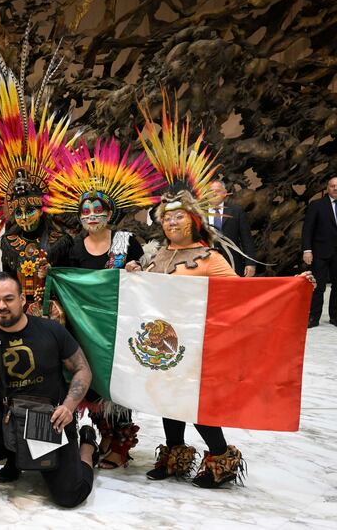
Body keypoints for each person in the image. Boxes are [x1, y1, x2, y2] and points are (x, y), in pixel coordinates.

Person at [132, 94, 316, 488]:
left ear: (193, 219)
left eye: (178, 216)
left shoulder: (210, 258)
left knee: (196, 406)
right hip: (165, 347)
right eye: (167, 219)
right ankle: (174, 456)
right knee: (166, 403)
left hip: (199, 350)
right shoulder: (157, 255)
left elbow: (240, 298)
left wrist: (292, 287)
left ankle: (220, 459)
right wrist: (132, 272)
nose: (171, 224)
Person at [45, 137, 162, 469]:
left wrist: (137, 271)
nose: (92, 215)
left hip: (119, 328)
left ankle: (119, 442)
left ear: (110, 213)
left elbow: (148, 281)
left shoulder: (126, 242)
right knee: (88, 382)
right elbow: (49, 276)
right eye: (86, 211)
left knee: (118, 384)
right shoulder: (68, 245)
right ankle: (87, 437)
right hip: (82, 329)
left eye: (98, 210)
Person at [0, 272, 97, 508]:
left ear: (22, 300)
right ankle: (16, 457)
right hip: (11, 417)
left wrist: (69, 407)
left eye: (8, 299)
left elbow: (83, 370)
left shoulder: (51, 330)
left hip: (51, 419)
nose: (1, 306)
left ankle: (88, 446)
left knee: (70, 495)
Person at [0, 25, 75, 323]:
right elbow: (7, 279)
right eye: (19, 210)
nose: (25, 216)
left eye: (31, 208)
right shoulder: (9, 243)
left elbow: (74, 280)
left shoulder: (61, 239)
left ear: (45, 206)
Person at [302, 176, 337, 328]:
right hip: (320, 252)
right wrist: (307, 250)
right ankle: (313, 317)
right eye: (332, 186)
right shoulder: (317, 205)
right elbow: (307, 230)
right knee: (319, 286)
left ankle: (334, 317)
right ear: (327, 188)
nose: (335, 188)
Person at [208, 180, 257, 277]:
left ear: (224, 193)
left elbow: (246, 239)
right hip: (206, 262)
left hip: (232, 262)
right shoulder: (198, 213)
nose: (213, 194)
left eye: (217, 191)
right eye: (210, 191)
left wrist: (250, 263)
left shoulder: (236, 211)